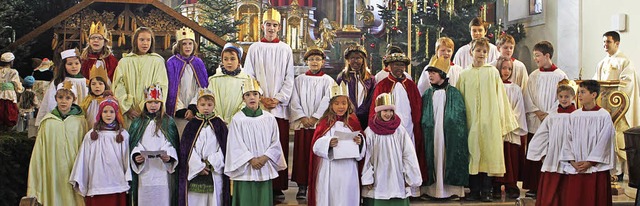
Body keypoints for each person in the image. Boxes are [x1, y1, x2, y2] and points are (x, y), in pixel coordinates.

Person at [456, 37, 518, 202]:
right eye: (478, 50)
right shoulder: (464, 74)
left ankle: (487, 190)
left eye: (484, 51)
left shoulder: (492, 73)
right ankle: (474, 190)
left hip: (490, 121)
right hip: (471, 121)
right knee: (473, 153)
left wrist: (503, 121)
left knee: (489, 154)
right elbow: (459, 99)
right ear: (471, 52)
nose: (481, 54)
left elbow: (501, 98)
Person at [242, 9, 294, 197]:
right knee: (260, 143)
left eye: (274, 25)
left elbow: (290, 78)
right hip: (260, 105)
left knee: (277, 143)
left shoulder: (285, 49)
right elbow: (249, 75)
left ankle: (278, 186)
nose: (271, 28)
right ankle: (261, 181)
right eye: (268, 24)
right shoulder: (255, 48)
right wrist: (261, 97)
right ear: (262, 26)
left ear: (279, 27)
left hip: (279, 107)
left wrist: (278, 98)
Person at [368, 52, 426, 193]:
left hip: (408, 127)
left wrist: (416, 123)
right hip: (387, 128)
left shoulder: (411, 85)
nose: (399, 68)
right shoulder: (382, 85)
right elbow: (375, 108)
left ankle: (410, 188)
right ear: (389, 66)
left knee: (408, 155)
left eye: (402, 65)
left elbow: (417, 106)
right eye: (395, 65)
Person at [224, 78, 287, 206]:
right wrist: (250, 159)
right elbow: (235, 144)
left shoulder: (269, 118)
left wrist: (265, 158)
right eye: (247, 95)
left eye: (255, 94)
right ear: (243, 98)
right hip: (245, 168)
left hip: (264, 166)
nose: (251, 97)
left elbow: (275, 142)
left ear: (260, 97)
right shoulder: (237, 120)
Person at [27, 81, 87, 206]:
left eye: (68, 98)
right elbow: (39, 152)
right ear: (55, 98)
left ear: (74, 99)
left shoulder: (80, 122)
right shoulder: (48, 122)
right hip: (53, 170)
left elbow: (85, 149)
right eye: (60, 97)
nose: (63, 101)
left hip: (74, 170)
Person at [307, 82, 366, 206]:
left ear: (348, 104)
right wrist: (328, 142)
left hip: (349, 168)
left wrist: (360, 141)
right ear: (330, 105)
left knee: (347, 196)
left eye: (344, 103)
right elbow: (315, 146)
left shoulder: (353, 121)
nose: (341, 106)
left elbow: (362, 140)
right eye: (337, 103)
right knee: (331, 196)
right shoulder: (324, 122)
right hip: (330, 168)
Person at [522, 41, 568, 197]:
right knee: (535, 150)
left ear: (547, 56)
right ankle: (534, 186)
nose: (535, 59)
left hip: (552, 119)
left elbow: (564, 96)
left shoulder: (560, 75)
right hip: (536, 118)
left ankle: (549, 186)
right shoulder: (533, 75)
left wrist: (549, 114)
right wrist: (537, 112)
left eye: (537, 56)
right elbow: (527, 95)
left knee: (549, 151)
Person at [592, 31, 640, 181]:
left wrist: (613, 91)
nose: (605, 45)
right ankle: (608, 168)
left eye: (608, 42)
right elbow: (595, 82)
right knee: (605, 136)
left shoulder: (624, 62)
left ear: (617, 43)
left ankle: (619, 171)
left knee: (618, 136)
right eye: (604, 42)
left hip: (619, 109)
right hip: (605, 107)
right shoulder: (602, 62)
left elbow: (627, 84)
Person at [289, 47, 335, 199]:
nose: (314, 62)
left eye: (317, 59)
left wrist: (315, 117)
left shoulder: (328, 81)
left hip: (319, 125)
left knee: (317, 155)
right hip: (303, 125)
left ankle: (317, 184)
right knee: (302, 156)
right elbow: (294, 99)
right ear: (306, 62)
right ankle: (302, 186)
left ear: (322, 62)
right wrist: (302, 117)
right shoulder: (299, 80)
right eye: (311, 59)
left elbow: (327, 100)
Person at [560, 80, 615, 206]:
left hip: (596, 168)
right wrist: (572, 161)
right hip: (577, 168)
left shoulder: (604, 116)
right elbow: (567, 139)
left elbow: (605, 141)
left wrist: (590, 162)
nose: (579, 95)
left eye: (583, 92)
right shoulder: (574, 116)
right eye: (579, 92)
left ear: (594, 94)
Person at [421, 56, 469, 199]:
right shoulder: (428, 93)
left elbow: (459, 117)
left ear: (442, 74)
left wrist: (451, 126)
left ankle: (451, 190)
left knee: (447, 156)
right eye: (429, 73)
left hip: (448, 134)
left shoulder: (453, 93)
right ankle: (431, 191)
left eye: (433, 73)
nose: (430, 75)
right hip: (432, 134)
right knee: (433, 156)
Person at [362, 93, 422, 205]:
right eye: (385, 111)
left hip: (397, 174)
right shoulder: (370, 131)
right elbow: (367, 156)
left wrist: (410, 176)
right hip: (378, 176)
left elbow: (408, 154)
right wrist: (367, 178)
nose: (388, 114)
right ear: (379, 112)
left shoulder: (399, 130)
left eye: (391, 111)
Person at [70, 96, 130, 206]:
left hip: (117, 182)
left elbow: (126, 159)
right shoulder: (91, 135)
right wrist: (80, 178)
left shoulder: (123, 135)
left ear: (116, 114)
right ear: (100, 113)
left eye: (111, 111)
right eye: (105, 111)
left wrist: (128, 177)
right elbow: (83, 158)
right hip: (97, 182)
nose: (108, 115)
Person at [526, 79, 577, 206]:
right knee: (551, 189)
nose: (564, 99)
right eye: (561, 96)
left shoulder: (578, 116)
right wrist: (542, 153)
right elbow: (541, 135)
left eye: (567, 96)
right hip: (554, 155)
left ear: (573, 97)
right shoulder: (552, 116)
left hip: (572, 156)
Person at [129, 83, 180, 206]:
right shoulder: (138, 123)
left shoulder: (168, 122)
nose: (153, 105)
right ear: (145, 103)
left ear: (161, 104)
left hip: (162, 170)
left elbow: (172, 144)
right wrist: (136, 155)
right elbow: (134, 143)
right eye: (150, 102)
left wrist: (169, 156)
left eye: (156, 102)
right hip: (144, 171)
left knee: (163, 199)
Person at [179, 88, 230, 206]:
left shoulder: (220, 124)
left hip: (214, 171)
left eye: (209, 104)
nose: (206, 107)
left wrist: (211, 162)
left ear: (214, 106)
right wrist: (199, 166)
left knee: (214, 200)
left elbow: (224, 148)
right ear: (197, 106)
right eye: (202, 104)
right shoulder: (191, 125)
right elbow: (187, 150)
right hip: (196, 171)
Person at [112, 27, 168, 126]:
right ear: (135, 41)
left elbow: (161, 86)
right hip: (129, 114)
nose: (145, 43)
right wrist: (127, 108)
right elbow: (118, 85)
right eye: (142, 40)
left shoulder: (157, 61)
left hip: (150, 113)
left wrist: (147, 107)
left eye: (148, 40)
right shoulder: (124, 62)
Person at [493, 57, 528, 199]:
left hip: (511, 129)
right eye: (503, 68)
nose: (506, 71)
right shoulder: (493, 86)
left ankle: (511, 185)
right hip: (496, 128)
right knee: (497, 156)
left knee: (511, 157)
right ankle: (495, 185)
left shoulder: (515, 88)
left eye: (509, 69)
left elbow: (519, 109)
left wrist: (508, 123)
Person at [166, 27, 209, 135]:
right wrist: (182, 110)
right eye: (184, 44)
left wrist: (193, 108)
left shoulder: (198, 63)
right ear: (179, 45)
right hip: (178, 112)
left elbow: (203, 87)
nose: (187, 46)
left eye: (190, 43)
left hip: (195, 112)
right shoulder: (172, 63)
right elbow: (171, 89)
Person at [36, 49, 89, 126]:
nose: (74, 66)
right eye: (70, 64)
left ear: (81, 64)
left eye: (77, 63)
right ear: (64, 66)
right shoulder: (58, 82)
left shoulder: (85, 82)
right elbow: (51, 101)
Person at [207, 43, 251, 124]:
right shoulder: (214, 80)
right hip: (217, 121)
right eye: (226, 59)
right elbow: (210, 99)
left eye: (233, 59)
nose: (229, 62)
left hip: (238, 122)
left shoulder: (246, 80)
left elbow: (246, 102)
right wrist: (217, 117)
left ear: (239, 61)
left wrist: (235, 118)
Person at [336, 44, 375, 129]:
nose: (355, 61)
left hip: (365, 117)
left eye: (358, 58)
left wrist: (362, 111)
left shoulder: (370, 79)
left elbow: (371, 98)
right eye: (352, 58)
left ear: (363, 60)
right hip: (346, 116)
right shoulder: (342, 77)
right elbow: (337, 97)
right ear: (348, 60)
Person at [0, 52, 24, 130]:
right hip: (9, 94)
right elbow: (16, 83)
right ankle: (8, 128)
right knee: (9, 110)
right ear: (11, 62)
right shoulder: (13, 72)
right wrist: (20, 89)